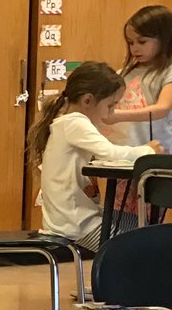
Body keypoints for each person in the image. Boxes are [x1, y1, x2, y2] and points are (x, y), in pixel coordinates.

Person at [30, 61, 162, 253]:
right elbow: (111, 153)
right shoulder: (75, 123)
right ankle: (119, 281)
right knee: (143, 239)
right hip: (75, 225)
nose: (112, 112)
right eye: (110, 105)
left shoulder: (67, 122)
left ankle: (124, 279)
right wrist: (148, 150)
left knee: (143, 224)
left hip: (76, 218)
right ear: (88, 101)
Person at [108, 5, 172, 149]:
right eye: (131, 43)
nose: (134, 48)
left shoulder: (168, 72)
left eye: (142, 42)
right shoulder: (123, 73)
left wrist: (118, 115)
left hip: (158, 157)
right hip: (124, 151)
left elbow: (162, 108)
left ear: (164, 39)